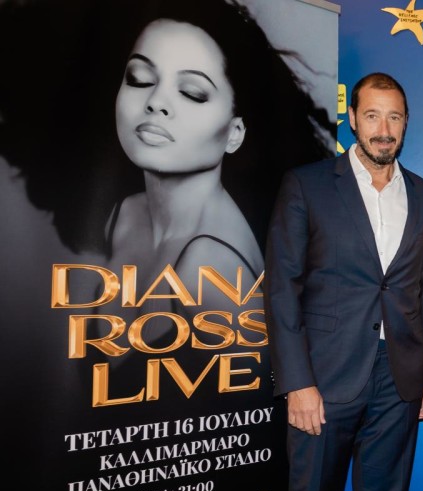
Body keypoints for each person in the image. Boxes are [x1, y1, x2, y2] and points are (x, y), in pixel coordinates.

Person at [264, 72, 423, 491]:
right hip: (323, 381)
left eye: (395, 117)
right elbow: (282, 288)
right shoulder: (309, 184)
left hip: (398, 383)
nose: (384, 128)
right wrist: (297, 382)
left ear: (406, 123)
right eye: (372, 115)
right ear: (352, 120)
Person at [0, 0, 332, 283]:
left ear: (234, 133)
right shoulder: (125, 214)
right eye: (139, 79)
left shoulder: (214, 266)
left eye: (192, 92)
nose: (156, 101)